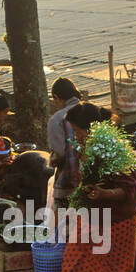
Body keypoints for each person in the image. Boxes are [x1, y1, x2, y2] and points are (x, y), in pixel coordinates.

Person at [40, 103, 136, 272]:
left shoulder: (115, 149)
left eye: (78, 131)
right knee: (75, 257)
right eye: (74, 132)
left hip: (118, 217)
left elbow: (129, 190)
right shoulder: (88, 147)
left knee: (119, 263)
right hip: (91, 212)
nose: (76, 136)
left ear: (93, 128)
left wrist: (104, 193)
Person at [47, 77, 83, 209]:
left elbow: (60, 153)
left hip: (68, 179)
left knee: (64, 222)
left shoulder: (57, 118)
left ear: (57, 97)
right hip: (93, 182)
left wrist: (52, 159)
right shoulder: (89, 111)